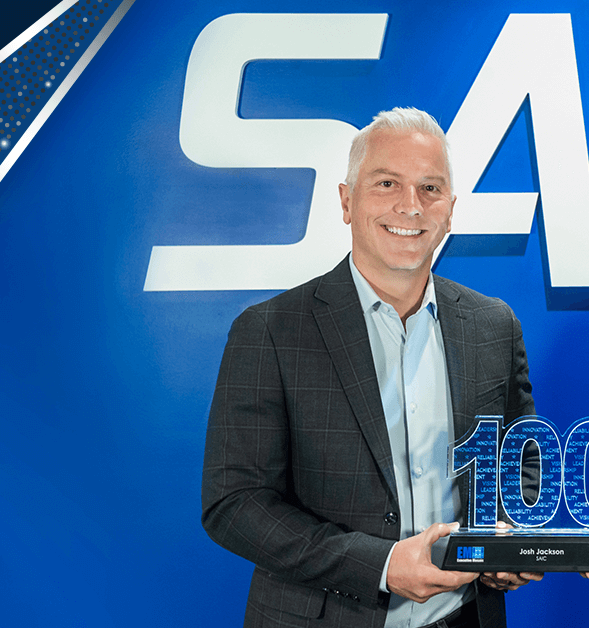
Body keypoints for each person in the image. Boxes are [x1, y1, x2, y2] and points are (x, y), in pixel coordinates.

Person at [202, 107, 540, 628]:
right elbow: (235, 504)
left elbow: (522, 466)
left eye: (430, 188)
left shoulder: (494, 325)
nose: (411, 206)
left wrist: (506, 542)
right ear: (346, 201)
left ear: (450, 210)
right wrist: (380, 565)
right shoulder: (270, 331)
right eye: (387, 183)